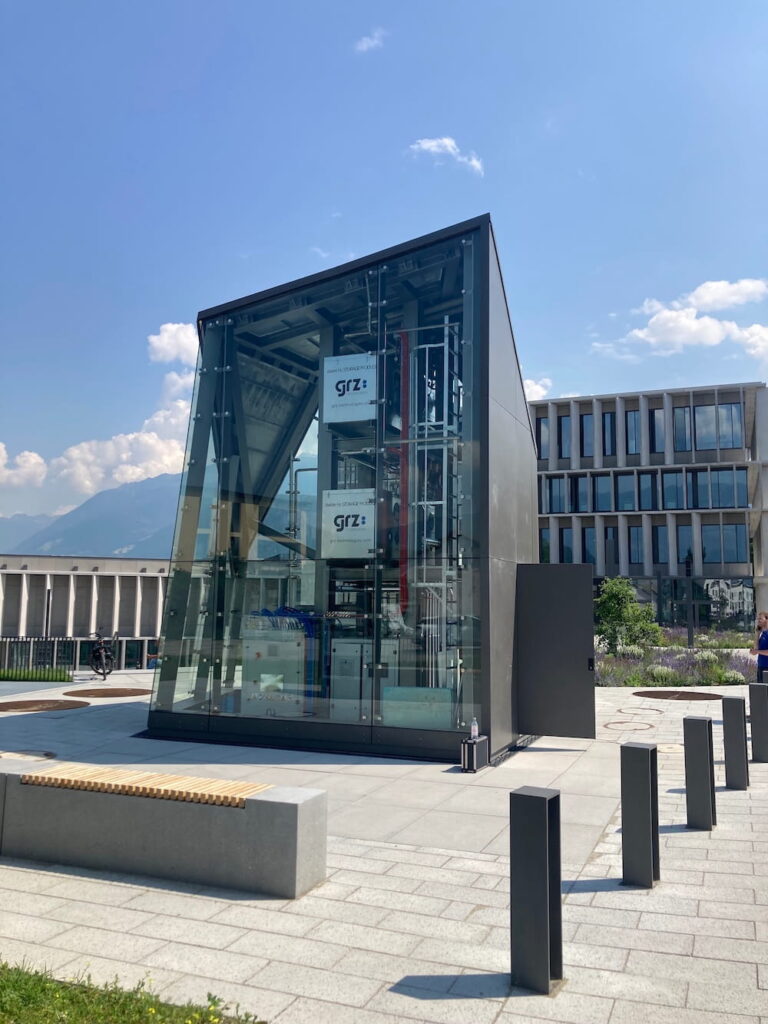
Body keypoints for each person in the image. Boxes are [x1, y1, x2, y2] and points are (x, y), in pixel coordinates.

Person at [750, 611, 768, 683]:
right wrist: (757, 634)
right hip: (761, 666)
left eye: (760, 619)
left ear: (766, 620)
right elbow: (756, 649)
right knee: (761, 688)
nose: (758, 621)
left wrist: (757, 651)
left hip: (767, 668)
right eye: (758, 619)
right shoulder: (762, 633)